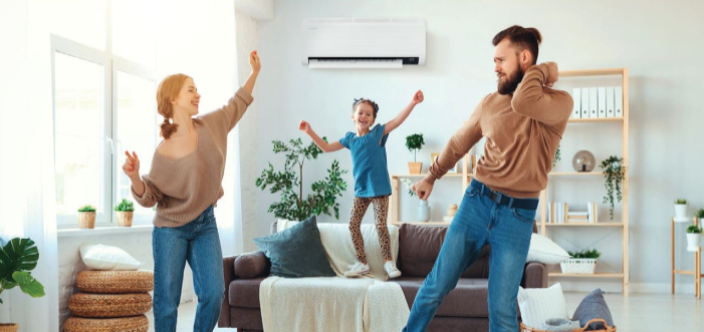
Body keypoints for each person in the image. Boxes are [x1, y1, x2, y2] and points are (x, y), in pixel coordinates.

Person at [403, 26, 573, 332]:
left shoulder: (559, 103)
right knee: (436, 286)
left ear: (525, 58)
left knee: (502, 307)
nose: (494, 67)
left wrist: (542, 71)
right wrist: (431, 176)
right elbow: (458, 143)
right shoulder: (489, 103)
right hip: (476, 203)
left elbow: (524, 101)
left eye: (500, 59)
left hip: (517, 216)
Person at [122, 51, 261, 332]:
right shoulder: (164, 152)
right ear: (173, 99)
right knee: (167, 302)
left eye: (197, 89)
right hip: (170, 229)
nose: (198, 94)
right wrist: (135, 176)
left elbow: (237, 104)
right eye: (191, 90)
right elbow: (150, 196)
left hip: (204, 223)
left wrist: (254, 73)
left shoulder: (212, 124)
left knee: (213, 294)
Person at [298, 90, 424, 278]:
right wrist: (309, 132)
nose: (364, 116)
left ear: (372, 120)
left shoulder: (377, 134)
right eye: (360, 113)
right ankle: (362, 262)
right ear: (353, 117)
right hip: (361, 191)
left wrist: (412, 103)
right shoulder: (350, 139)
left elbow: (397, 121)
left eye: (368, 114)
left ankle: (388, 263)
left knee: (380, 225)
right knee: (352, 224)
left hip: (380, 189)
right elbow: (326, 147)